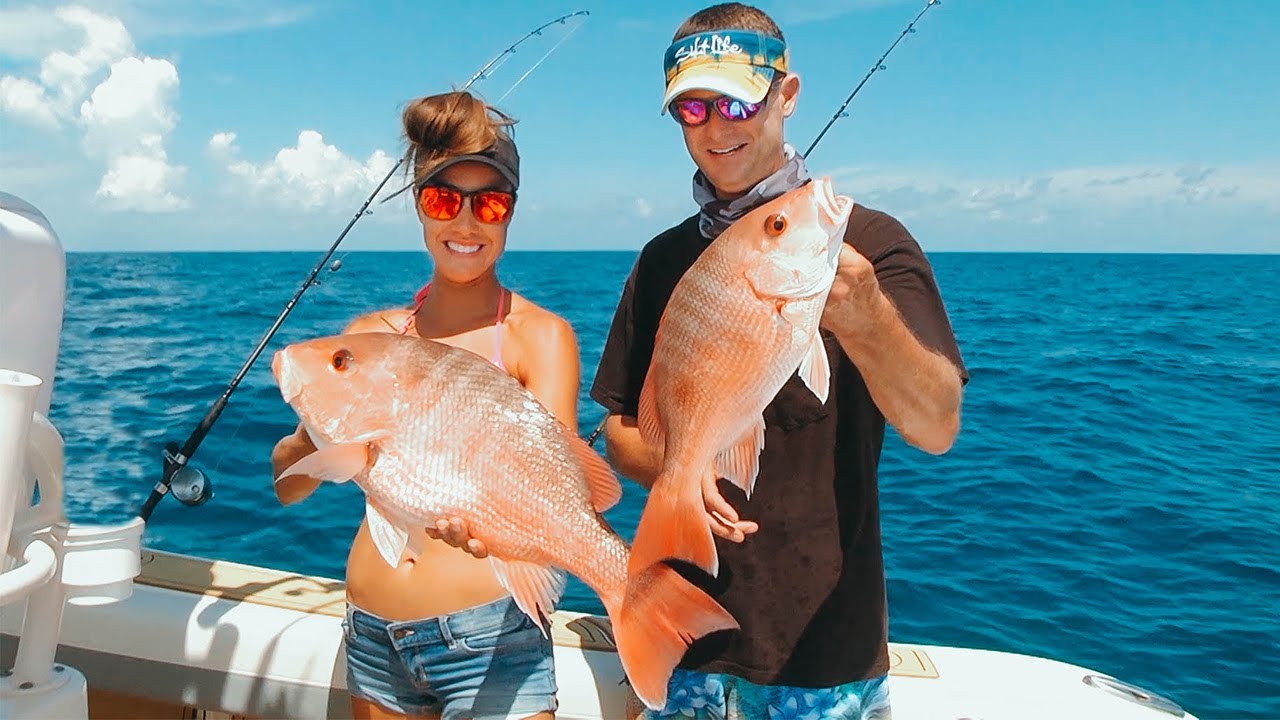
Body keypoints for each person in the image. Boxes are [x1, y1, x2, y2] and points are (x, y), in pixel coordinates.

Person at [588, 4, 969, 718]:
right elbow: (618, 431)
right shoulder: (662, 260)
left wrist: (865, 318)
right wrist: (683, 470)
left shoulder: (872, 246)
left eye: (738, 99)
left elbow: (938, 425)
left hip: (823, 656)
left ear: (786, 95)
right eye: (693, 108)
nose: (717, 125)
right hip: (685, 638)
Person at [270, 90, 579, 720]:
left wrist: (492, 527)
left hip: (492, 638)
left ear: (510, 214)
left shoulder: (538, 337)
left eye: (489, 203)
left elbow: (562, 488)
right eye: (444, 200)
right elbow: (286, 487)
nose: (465, 224)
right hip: (372, 637)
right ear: (419, 206)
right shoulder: (367, 339)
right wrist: (319, 431)